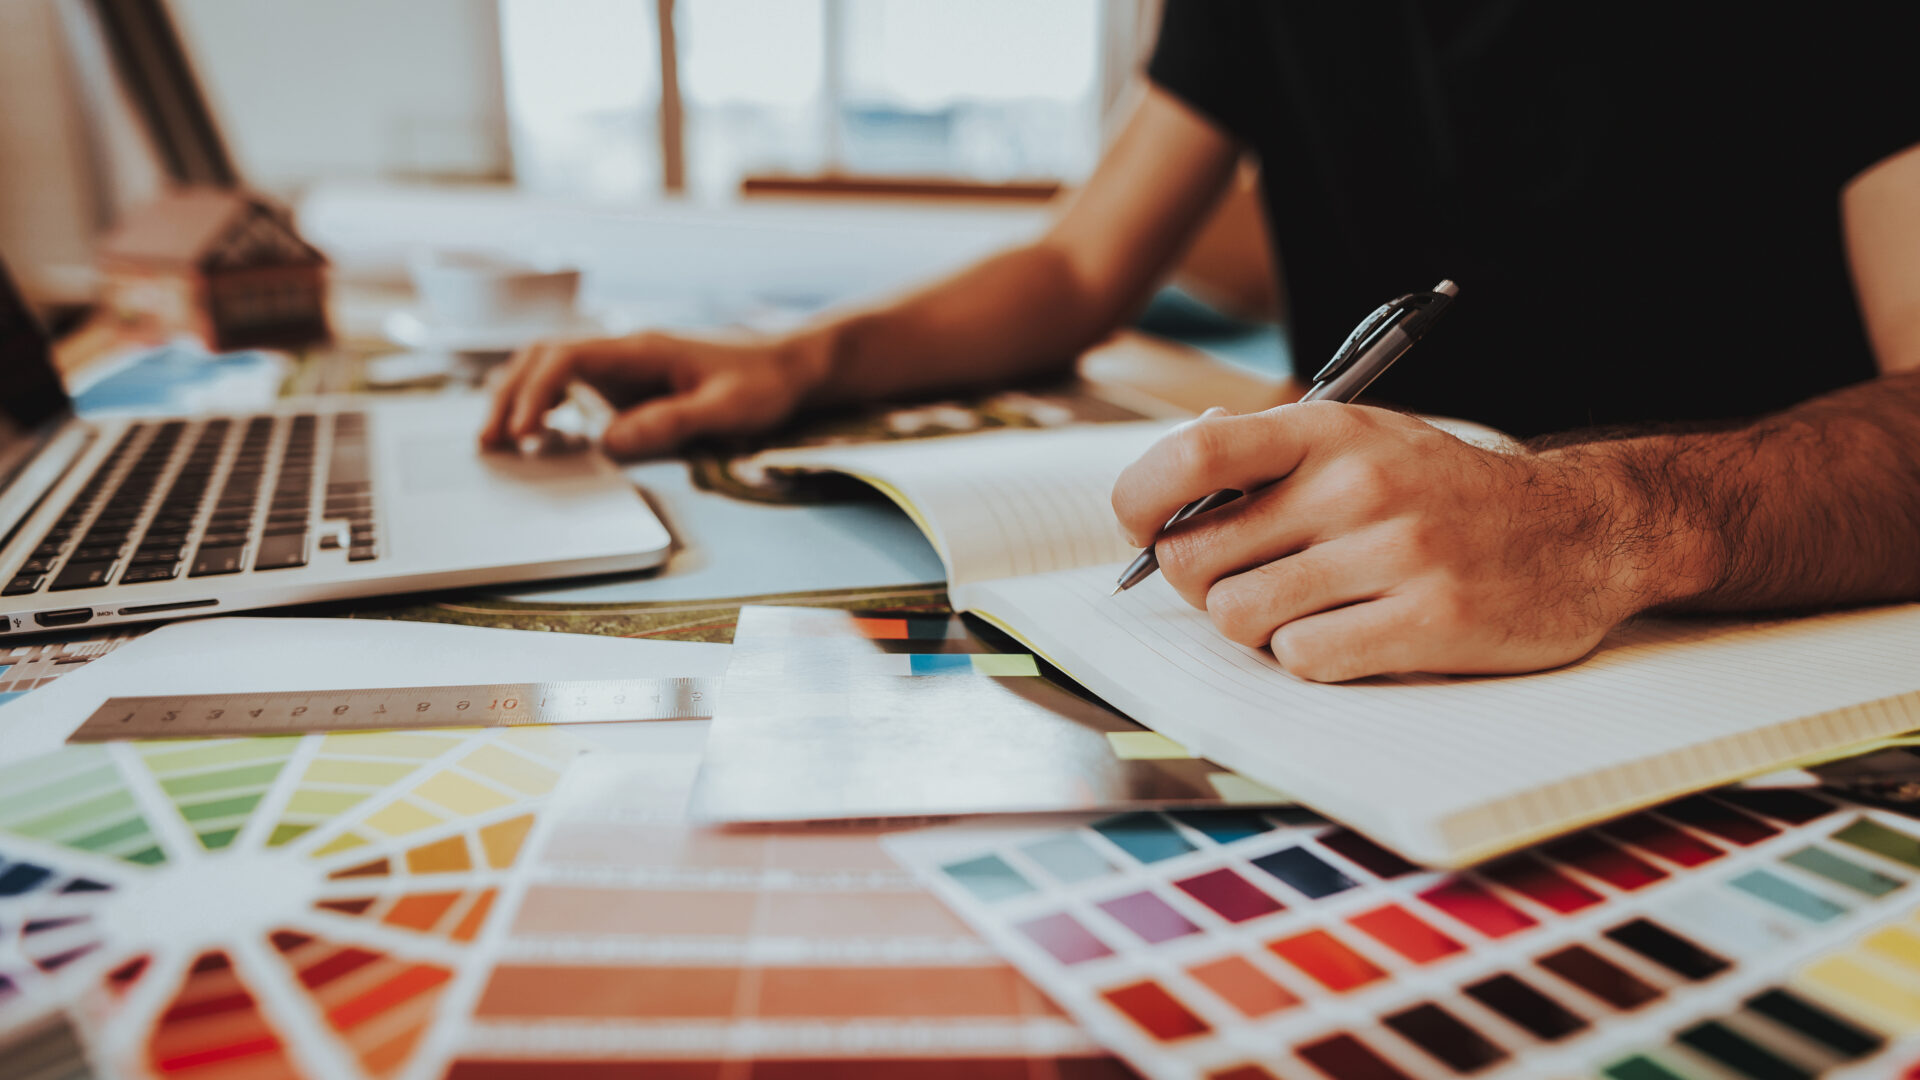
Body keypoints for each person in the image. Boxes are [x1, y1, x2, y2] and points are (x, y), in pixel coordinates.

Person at [483, 2, 1920, 682]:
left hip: (1751, 636)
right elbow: (1076, 262)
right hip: (1348, 655)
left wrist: (1601, 525)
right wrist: (806, 363)